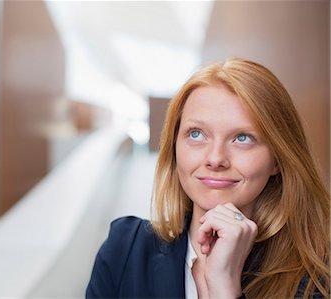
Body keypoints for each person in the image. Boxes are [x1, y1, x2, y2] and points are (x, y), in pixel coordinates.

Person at [86, 58, 330, 298]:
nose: (215, 159)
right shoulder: (125, 251)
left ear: (277, 158)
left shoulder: (317, 278)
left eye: (242, 138)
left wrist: (224, 288)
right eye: (196, 134)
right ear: (174, 146)